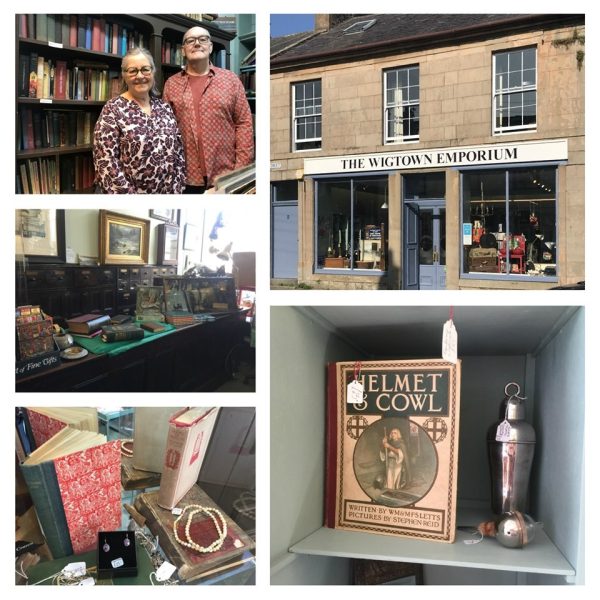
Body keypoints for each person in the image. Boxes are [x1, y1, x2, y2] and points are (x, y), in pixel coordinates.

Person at [163, 26, 254, 193]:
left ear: (210, 46)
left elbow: (244, 123)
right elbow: (166, 131)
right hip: (185, 179)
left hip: (226, 176)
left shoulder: (231, 80)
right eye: (190, 40)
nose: (197, 43)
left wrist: (239, 170)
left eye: (203, 39)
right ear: (183, 50)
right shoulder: (171, 84)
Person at [93, 47, 185, 193]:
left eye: (145, 69)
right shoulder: (113, 109)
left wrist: (176, 190)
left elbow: (178, 152)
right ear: (124, 75)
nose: (140, 75)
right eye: (133, 71)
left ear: (153, 71)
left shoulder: (164, 107)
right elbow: (106, 162)